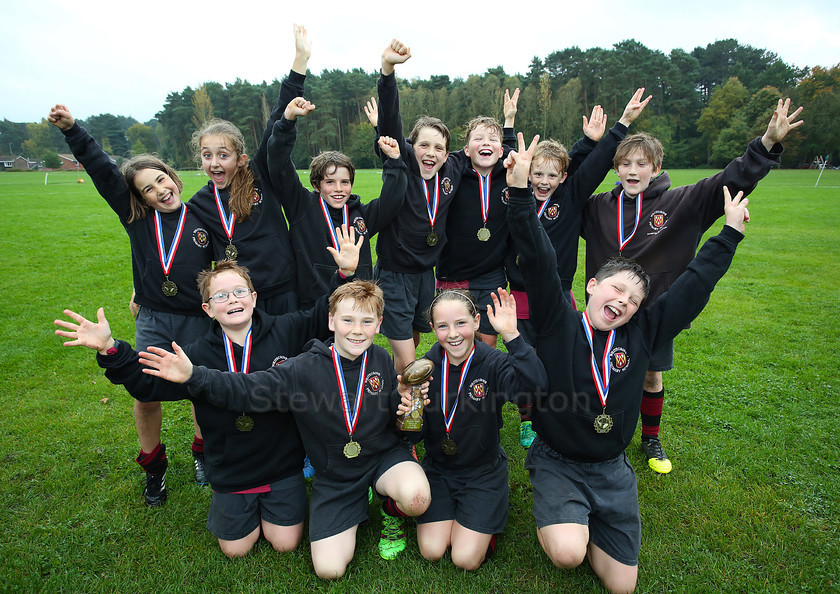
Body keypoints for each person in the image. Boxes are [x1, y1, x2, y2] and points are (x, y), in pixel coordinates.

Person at [506, 131, 754, 593]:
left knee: (622, 585)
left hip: (611, 464)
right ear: (590, 288)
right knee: (566, 555)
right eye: (615, 289)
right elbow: (538, 256)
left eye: (634, 299)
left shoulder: (643, 332)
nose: (622, 302)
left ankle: (598, 512)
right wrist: (520, 192)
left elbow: (692, 286)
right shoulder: (559, 321)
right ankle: (565, 515)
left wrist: (729, 235)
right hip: (557, 458)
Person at [55, 226, 363, 557]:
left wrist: (344, 275)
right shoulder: (196, 354)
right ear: (207, 309)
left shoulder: (284, 330)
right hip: (231, 467)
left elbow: (321, 313)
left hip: (282, 463)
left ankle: (275, 504)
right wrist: (111, 349)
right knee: (236, 550)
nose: (232, 299)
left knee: (285, 544)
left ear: (254, 297)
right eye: (220, 296)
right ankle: (239, 506)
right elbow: (146, 383)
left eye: (240, 292)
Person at [137, 280, 431, 580]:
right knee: (330, 570)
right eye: (348, 320)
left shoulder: (381, 359)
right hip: (337, 476)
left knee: (416, 497)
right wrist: (194, 375)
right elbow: (247, 389)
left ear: (378, 325)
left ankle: (389, 513)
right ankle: (355, 502)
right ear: (331, 321)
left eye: (367, 322)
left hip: (382, 460)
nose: (357, 330)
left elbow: (406, 432)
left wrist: (406, 409)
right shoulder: (301, 368)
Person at [580, 98, 803, 473]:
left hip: (654, 312)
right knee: (601, 372)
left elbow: (728, 181)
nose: (632, 171)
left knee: (650, 375)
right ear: (615, 167)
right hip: (607, 309)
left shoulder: (681, 202)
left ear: (656, 168)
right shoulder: (597, 206)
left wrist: (765, 144)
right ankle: (604, 433)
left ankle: (650, 437)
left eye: (641, 164)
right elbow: (564, 191)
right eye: (625, 164)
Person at [48, 104, 213, 504]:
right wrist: (74, 131)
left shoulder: (205, 214)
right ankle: (154, 468)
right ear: (139, 197)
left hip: (198, 319)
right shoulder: (136, 218)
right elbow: (104, 173)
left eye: (161, 180)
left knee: (200, 390)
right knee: (146, 393)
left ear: (173, 176)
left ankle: (204, 456)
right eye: (148, 189)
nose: (159, 190)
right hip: (155, 318)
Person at [506, 88, 652, 447]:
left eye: (551, 176)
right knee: (526, 361)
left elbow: (596, 163)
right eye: (536, 174)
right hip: (521, 299)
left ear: (563, 179)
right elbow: (509, 161)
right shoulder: (515, 197)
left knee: (560, 359)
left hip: (558, 299)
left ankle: (555, 411)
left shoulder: (569, 200)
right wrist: (510, 128)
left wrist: (621, 125)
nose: (542, 181)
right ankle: (528, 418)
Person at [402, 288, 546, 570]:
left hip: (482, 471)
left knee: (465, 558)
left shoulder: (494, 363)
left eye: (461, 323)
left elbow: (535, 390)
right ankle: (465, 520)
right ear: (432, 329)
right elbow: (412, 435)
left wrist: (513, 338)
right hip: (440, 469)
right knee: (432, 550)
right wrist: (407, 412)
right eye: (443, 326)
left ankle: (486, 515)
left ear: (477, 321)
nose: (453, 334)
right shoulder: (424, 370)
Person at [185, 24, 311, 317]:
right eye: (207, 155)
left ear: (240, 158)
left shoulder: (260, 175)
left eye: (223, 155)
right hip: (237, 297)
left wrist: (300, 61)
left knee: (287, 357)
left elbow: (277, 117)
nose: (214, 163)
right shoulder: (199, 203)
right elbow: (176, 243)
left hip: (282, 287)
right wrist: (140, 290)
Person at [267, 95, 407, 309]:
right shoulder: (301, 206)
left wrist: (395, 162)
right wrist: (287, 121)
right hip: (313, 307)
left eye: (345, 182)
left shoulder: (360, 215)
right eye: (330, 182)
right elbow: (278, 164)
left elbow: (392, 200)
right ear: (316, 185)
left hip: (356, 307)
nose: (339, 189)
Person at [434, 87, 518, 349]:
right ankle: (453, 387)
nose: (485, 144)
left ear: (501, 149)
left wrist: (509, 123)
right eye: (478, 139)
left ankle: (481, 388)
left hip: (491, 274)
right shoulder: (454, 171)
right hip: (453, 273)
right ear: (466, 149)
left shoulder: (508, 174)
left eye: (493, 140)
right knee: (455, 340)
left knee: (486, 345)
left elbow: (511, 151)